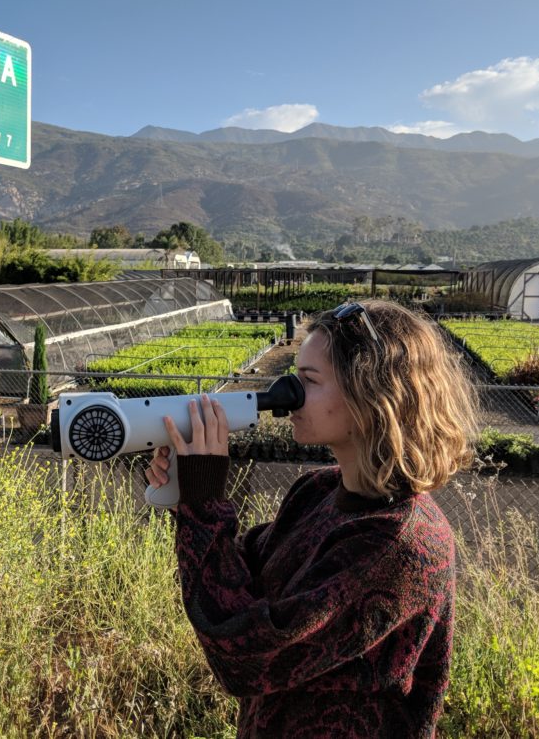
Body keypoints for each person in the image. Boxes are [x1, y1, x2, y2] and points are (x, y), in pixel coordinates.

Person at [145, 300, 479, 738]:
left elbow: (243, 654)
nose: (288, 393)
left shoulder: (400, 543)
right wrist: (188, 501)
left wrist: (204, 505)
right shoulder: (319, 490)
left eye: (309, 380)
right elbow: (242, 576)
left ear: (372, 395)